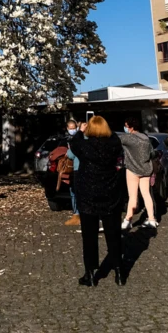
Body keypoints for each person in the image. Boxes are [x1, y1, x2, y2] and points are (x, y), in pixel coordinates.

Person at [68, 115, 125, 287]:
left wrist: (80, 131)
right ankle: (119, 271)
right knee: (113, 234)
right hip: (110, 194)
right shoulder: (113, 145)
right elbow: (115, 138)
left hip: (88, 196)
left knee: (89, 236)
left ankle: (90, 274)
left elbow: (74, 144)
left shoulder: (85, 146)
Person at [120, 117, 157, 230]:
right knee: (146, 194)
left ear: (130, 127)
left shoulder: (127, 138)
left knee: (133, 196)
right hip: (146, 169)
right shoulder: (145, 138)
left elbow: (115, 142)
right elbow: (152, 153)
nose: (125, 128)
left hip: (132, 169)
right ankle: (151, 219)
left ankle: (128, 220)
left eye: (126, 126)